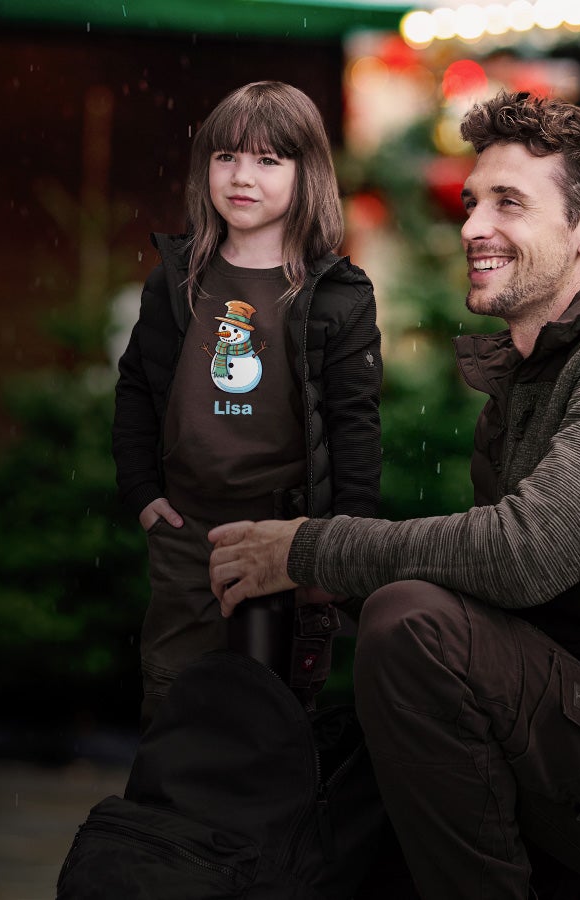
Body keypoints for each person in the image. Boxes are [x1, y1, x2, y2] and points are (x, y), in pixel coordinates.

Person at [207, 92, 580, 898]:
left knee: (414, 626)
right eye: (473, 202)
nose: (474, 226)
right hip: (579, 729)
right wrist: (325, 584)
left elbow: (524, 554)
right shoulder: (532, 378)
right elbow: (506, 592)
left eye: (509, 203)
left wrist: (309, 550)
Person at [112, 81, 381, 723]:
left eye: (268, 160)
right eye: (226, 156)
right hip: (187, 532)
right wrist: (142, 493)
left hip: (286, 538)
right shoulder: (174, 281)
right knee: (174, 706)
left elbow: (356, 428)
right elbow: (136, 390)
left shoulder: (338, 295)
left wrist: (339, 549)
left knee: (272, 716)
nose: (241, 176)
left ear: (306, 174)